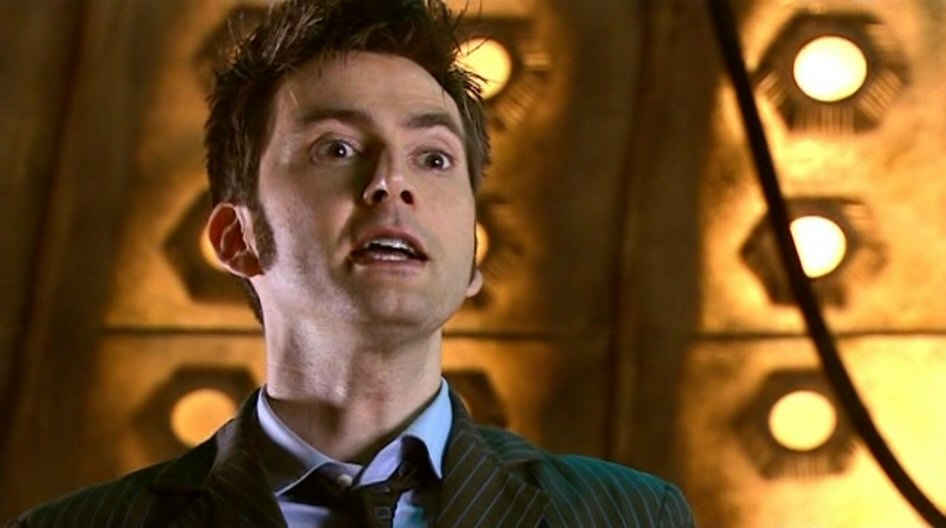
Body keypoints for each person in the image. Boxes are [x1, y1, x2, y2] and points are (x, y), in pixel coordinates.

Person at [9, 0, 695, 526]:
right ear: (236, 238)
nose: (392, 182)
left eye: (433, 158)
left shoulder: (628, 515)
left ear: (471, 254)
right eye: (336, 149)